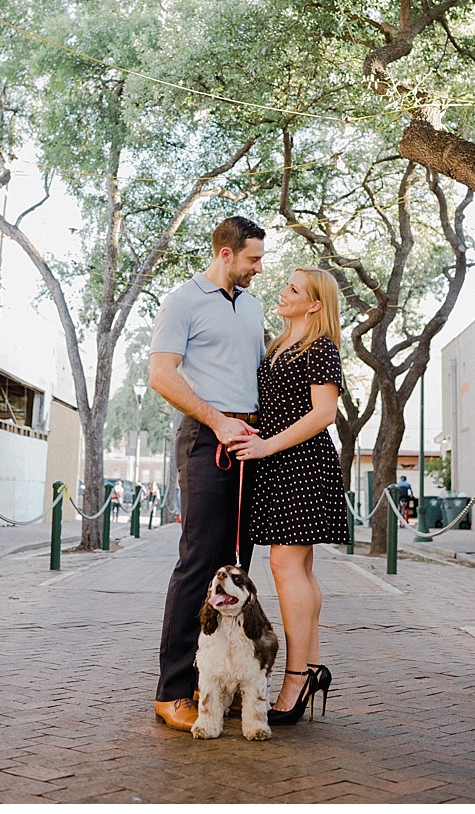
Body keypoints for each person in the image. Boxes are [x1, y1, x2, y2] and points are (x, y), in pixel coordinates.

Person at [148, 216, 267, 732]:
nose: (259, 269)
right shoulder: (182, 301)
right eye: (252, 259)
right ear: (224, 253)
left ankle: (222, 685)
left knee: (237, 566)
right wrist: (219, 422)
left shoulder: (255, 306)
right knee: (199, 565)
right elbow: (161, 375)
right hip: (205, 440)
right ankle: (174, 690)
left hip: (251, 446)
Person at [230, 266, 346, 725]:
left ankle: (296, 678)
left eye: (294, 290)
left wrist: (265, 445)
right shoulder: (278, 347)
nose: (283, 292)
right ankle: (312, 666)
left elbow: (324, 415)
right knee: (299, 566)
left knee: (284, 564)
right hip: (277, 464)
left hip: (303, 465)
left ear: (315, 304)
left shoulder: (321, 348)